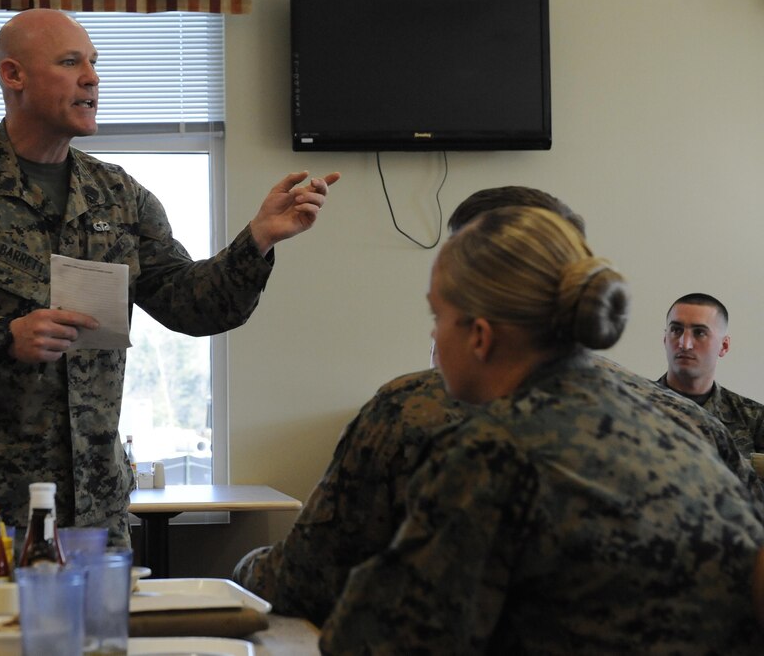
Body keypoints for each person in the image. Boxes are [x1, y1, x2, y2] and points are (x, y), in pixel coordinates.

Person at [0, 8, 341, 583]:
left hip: (94, 511)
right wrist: (2, 338)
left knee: (97, 634)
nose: (92, 77)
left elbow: (192, 303)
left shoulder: (119, 195)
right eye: (70, 63)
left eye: (93, 63)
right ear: (13, 75)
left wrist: (257, 240)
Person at [232, 187, 763, 628]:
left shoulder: (457, 436)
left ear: (479, 325)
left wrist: (239, 573)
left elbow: (321, 592)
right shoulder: (690, 422)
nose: (434, 334)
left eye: (441, 312)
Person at [658, 292, 764, 455]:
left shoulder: (754, 419)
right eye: (676, 330)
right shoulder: (634, 403)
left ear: (724, 346)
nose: (685, 344)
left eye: (699, 333)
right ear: (665, 339)